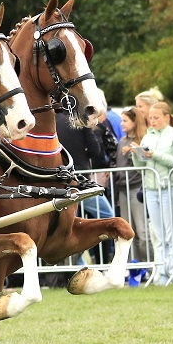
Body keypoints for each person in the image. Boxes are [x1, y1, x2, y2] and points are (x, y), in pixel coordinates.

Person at [133, 101, 173, 284]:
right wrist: (135, 153)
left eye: (156, 117)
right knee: (158, 235)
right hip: (151, 190)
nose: (152, 121)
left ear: (166, 118)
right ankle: (163, 275)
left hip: (169, 188)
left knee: (172, 234)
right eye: (150, 118)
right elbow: (140, 166)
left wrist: (155, 154)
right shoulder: (147, 136)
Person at [56, 108, 115, 263]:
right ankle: (81, 254)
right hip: (80, 178)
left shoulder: (53, 120)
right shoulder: (80, 119)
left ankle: (77, 264)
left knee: (71, 223)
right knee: (108, 216)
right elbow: (95, 150)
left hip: (59, 178)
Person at [113, 107, 150, 263]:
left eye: (125, 121)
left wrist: (135, 151)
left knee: (142, 230)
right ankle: (134, 266)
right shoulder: (122, 141)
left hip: (136, 188)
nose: (121, 124)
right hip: (122, 189)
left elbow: (145, 162)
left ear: (135, 122)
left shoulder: (143, 140)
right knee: (128, 232)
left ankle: (149, 264)